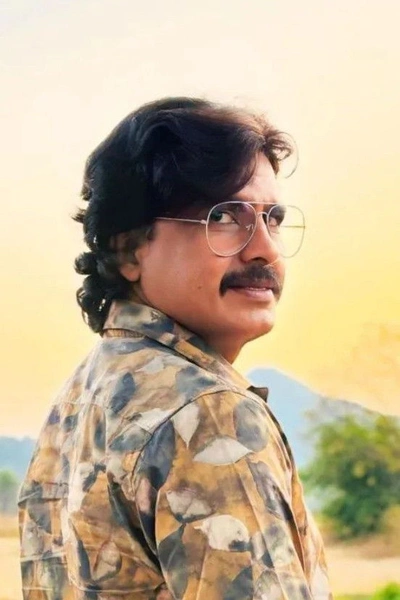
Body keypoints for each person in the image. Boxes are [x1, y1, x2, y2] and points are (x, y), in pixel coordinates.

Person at [18, 97, 331, 600]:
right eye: (224, 216)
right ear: (128, 248)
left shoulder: (80, 402)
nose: (265, 249)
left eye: (272, 218)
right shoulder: (209, 416)